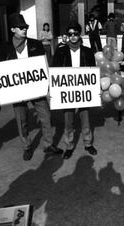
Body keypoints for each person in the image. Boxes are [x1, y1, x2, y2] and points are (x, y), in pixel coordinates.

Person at [6, 13, 63, 161]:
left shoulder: (35, 44)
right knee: (21, 120)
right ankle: (27, 146)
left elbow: (42, 65)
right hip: (17, 91)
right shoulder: (5, 47)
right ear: (13, 29)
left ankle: (48, 144)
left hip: (36, 89)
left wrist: (47, 85)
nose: (24, 30)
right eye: (20, 27)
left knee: (46, 116)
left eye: (25, 27)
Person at [51, 23, 98, 158]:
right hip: (67, 92)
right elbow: (55, 71)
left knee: (85, 119)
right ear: (67, 36)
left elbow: (91, 72)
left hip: (83, 92)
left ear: (79, 35)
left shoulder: (88, 51)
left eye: (75, 34)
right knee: (68, 121)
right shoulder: (60, 51)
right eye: (70, 34)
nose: (73, 36)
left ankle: (88, 143)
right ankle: (69, 146)